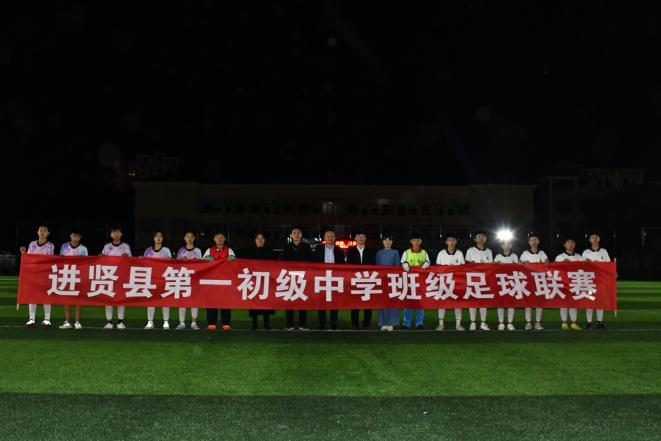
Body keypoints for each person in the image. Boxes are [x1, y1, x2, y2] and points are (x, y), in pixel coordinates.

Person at [20, 225, 55, 327]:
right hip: (34, 274)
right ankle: (31, 319)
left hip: (45, 274)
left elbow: (50, 259)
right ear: (38, 232)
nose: (42, 232)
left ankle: (47, 319)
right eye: (41, 230)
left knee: (46, 297)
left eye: (45, 231)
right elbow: (28, 258)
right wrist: (24, 253)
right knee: (32, 296)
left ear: (48, 233)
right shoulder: (32, 244)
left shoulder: (50, 245)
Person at [313, 228, 346, 330]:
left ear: (335, 238)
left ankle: (333, 323)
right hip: (322, 277)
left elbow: (343, 265)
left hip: (335, 278)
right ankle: (321, 323)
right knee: (321, 301)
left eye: (332, 236)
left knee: (334, 301)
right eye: (328, 236)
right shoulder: (318, 249)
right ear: (324, 238)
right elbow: (313, 263)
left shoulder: (339, 250)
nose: (330, 238)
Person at [281, 227, 312, 331]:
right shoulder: (287, 247)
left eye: (298, 233)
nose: (296, 235)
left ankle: (302, 324)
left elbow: (311, 262)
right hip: (290, 278)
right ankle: (289, 324)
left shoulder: (307, 247)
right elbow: (282, 262)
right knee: (290, 301)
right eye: (294, 233)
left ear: (301, 235)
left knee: (302, 301)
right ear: (291, 235)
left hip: (303, 278)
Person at [101, 225, 132, 330]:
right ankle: (109, 322)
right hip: (109, 276)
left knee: (121, 299)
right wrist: (100, 257)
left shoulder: (126, 247)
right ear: (111, 235)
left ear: (121, 234)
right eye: (114, 232)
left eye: (118, 232)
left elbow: (131, 261)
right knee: (108, 299)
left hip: (121, 276)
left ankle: (120, 322)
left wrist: (127, 258)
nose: (116, 234)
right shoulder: (106, 246)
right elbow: (101, 259)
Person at [203, 232, 236, 331]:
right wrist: (207, 259)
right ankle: (211, 323)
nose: (220, 239)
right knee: (211, 302)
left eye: (222, 237)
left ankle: (226, 323)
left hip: (225, 281)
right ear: (214, 239)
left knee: (225, 302)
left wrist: (231, 259)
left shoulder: (229, 250)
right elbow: (203, 261)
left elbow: (234, 260)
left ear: (225, 239)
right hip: (212, 281)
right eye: (217, 237)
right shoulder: (209, 250)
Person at [244, 232, 276, 330]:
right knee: (254, 303)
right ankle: (254, 324)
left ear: (264, 240)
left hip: (266, 280)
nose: (260, 240)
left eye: (262, 238)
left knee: (266, 302)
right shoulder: (249, 251)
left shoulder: (269, 251)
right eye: (258, 238)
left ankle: (266, 324)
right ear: (255, 240)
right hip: (254, 280)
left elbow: (274, 264)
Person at [346, 230, 377, 330]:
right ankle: (354, 323)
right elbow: (348, 266)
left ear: (365, 239)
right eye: (359, 236)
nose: (361, 238)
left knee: (368, 303)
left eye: (363, 236)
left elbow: (374, 265)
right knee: (354, 303)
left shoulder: (371, 251)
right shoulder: (350, 251)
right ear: (355, 238)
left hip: (368, 280)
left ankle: (366, 322)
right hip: (355, 280)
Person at [58, 229, 88, 330]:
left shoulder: (83, 248)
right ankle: (67, 321)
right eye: (74, 235)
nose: (76, 238)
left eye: (78, 236)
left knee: (78, 300)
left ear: (80, 238)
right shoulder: (64, 246)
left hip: (78, 275)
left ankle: (77, 322)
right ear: (70, 236)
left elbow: (86, 262)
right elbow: (61, 259)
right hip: (66, 274)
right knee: (67, 300)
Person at [435, 232, 465, 331]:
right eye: (449, 240)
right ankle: (441, 324)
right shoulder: (441, 253)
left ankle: (458, 324)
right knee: (442, 303)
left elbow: (463, 268)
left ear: (456, 242)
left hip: (457, 282)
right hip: (444, 282)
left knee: (458, 303)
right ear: (446, 242)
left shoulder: (459, 253)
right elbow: (437, 268)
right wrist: (446, 268)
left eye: (453, 240)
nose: (451, 242)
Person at [520, 232, 549, 331]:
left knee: (539, 303)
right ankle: (528, 323)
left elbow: (547, 262)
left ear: (538, 241)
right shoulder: (525, 253)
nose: (533, 242)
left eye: (535, 240)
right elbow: (519, 264)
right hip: (528, 281)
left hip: (540, 281)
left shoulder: (542, 253)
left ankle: (537, 323)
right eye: (531, 240)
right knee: (528, 303)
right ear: (529, 242)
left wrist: (546, 262)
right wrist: (523, 263)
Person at [143, 231, 172, 330]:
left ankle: (166, 322)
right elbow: (143, 263)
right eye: (156, 236)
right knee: (151, 301)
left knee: (165, 300)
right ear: (153, 238)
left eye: (160, 236)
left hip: (163, 279)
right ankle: (150, 322)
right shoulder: (148, 250)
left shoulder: (166, 250)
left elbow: (170, 262)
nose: (158, 238)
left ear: (163, 238)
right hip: (151, 279)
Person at [582, 232, 611, 330]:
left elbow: (608, 265)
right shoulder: (586, 252)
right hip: (589, 280)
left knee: (600, 301)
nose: (594, 239)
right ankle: (589, 322)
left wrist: (613, 273)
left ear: (599, 239)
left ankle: (600, 322)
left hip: (601, 279)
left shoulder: (604, 251)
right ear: (589, 240)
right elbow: (582, 265)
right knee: (589, 301)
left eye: (596, 238)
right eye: (592, 238)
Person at [401, 232, 430, 330]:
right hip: (408, 281)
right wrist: (404, 264)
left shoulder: (424, 252)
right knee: (408, 302)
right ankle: (406, 323)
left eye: (418, 240)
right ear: (411, 241)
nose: (416, 242)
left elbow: (428, 262)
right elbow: (402, 263)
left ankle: (419, 323)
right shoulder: (406, 252)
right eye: (414, 240)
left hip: (420, 281)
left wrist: (426, 264)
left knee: (420, 302)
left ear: (421, 241)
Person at [465, 230, 492, 331]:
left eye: (482, 236)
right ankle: (472, 323)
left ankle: (483, 323)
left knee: (483, 302)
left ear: (485, 239)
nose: (481, 238)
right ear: (475, 239)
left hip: (485, 280)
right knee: (473, 301)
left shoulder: (489, 251)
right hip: (473, 279)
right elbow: (465, 265)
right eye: (479, 237)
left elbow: (491, 266)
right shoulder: (470, 250)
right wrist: (470, 264)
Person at [175, 231, 203, 330]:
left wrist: (195, 262)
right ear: (184, 238)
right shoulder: (181, 250)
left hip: (194, 278)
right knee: (182, 301)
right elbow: (176, 264)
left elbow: (202, 264)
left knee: (194, 301)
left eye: (191, 236)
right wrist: (181, 260)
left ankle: (194, 323)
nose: (189, 238)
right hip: (183, 278)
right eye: (187, 236)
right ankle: (182, 322)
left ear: (194, 238)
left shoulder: (198, 251)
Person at [555, 237, 583, 331]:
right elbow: (554, 269)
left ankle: (574, 323)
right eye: (568, 243)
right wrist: (562, 263)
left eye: (572, 243)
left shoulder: (579, 257)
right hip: (563, 283)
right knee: (564, 304)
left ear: (574, 245)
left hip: (575, 283)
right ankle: (564, 323)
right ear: (565, 245)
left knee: (574, 303)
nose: (570, 245)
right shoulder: (560, 257)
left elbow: (586, 267)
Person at [376, 234, 400, 331]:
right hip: (382, 280)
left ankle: (391, 323)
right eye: (385, 240)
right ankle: (383, 322)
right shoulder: (379, 253)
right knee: (382, 302)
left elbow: (397, 266)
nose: (387, 242)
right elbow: (377, 267)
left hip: (392, 280)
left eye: (389, 240)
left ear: (392, 242)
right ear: (382, 242)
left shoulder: (395, 252)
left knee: (392, 301)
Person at [494, 241, 518, 331]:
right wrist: (496, 264)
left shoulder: (514, 256)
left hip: (512, 281)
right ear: (502, 246)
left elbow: (519, 268)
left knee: (511, 303)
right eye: (504, 244)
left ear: (511, 246)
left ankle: (510, 323)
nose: (506, 246)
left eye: (508, 244)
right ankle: (501, 323)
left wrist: (516, 265)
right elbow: (492, 268)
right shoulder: (498, 256)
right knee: (500, 303)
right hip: (500, 282)